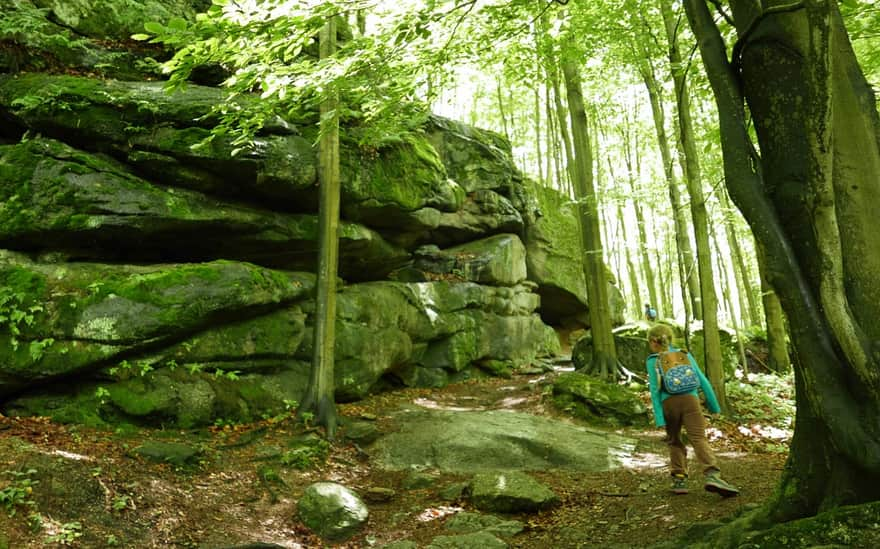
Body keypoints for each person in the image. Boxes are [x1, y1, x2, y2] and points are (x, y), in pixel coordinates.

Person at [645, 324, 739, 497]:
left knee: (674, 440)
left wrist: (659, 418)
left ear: (653, 341)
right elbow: (702, 380)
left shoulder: (653, 360)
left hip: (669, 404)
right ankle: (713, 475)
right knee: (699, 438)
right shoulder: (684, 354)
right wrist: (714, 406)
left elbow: (654, 390)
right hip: (691, 401)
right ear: (671, 339)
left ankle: (679, 480)